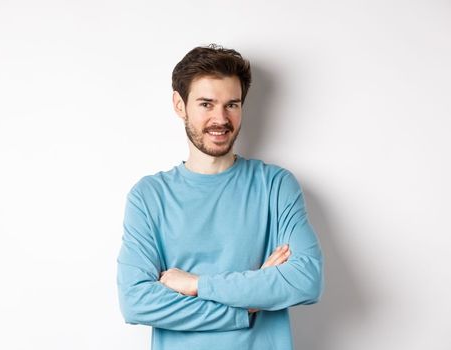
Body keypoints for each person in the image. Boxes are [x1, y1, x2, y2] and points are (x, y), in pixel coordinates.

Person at [116, 44, 324, 350]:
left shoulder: (276, 186)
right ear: (179, 105)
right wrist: (246, 306)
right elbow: (136, 302)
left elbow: (305, 280)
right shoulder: (149, 196)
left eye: (232, 104)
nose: (221, 119)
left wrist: (196, 284)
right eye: (206, 104)